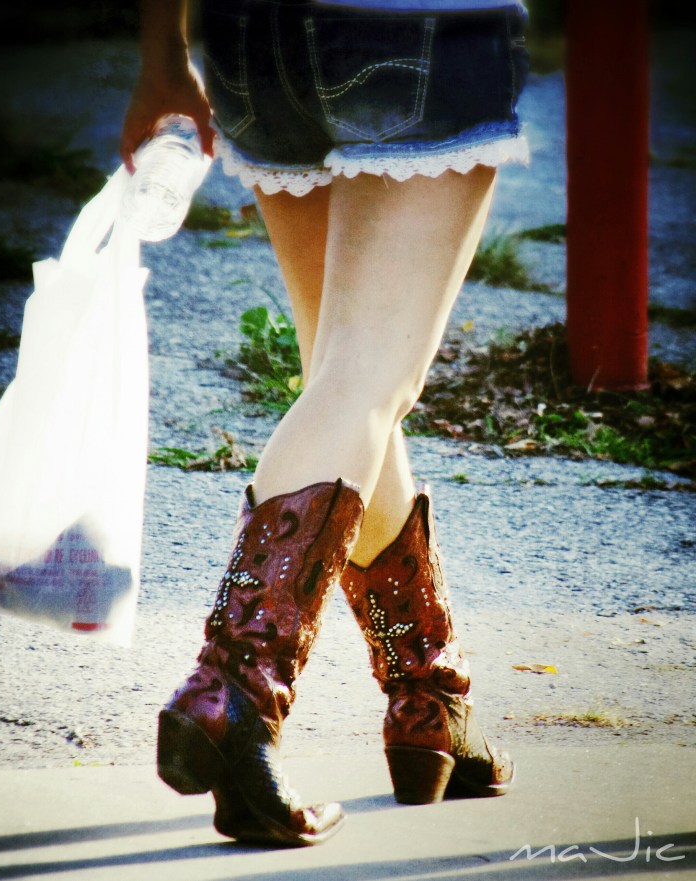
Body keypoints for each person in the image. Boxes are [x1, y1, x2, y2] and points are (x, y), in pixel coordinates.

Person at [121, 0, 529, 847]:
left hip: (251, 38)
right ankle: (232, 693)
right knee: (364, 382)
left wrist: (163, 52)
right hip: (411, 29)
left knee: (346, 376)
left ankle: (429, 694)